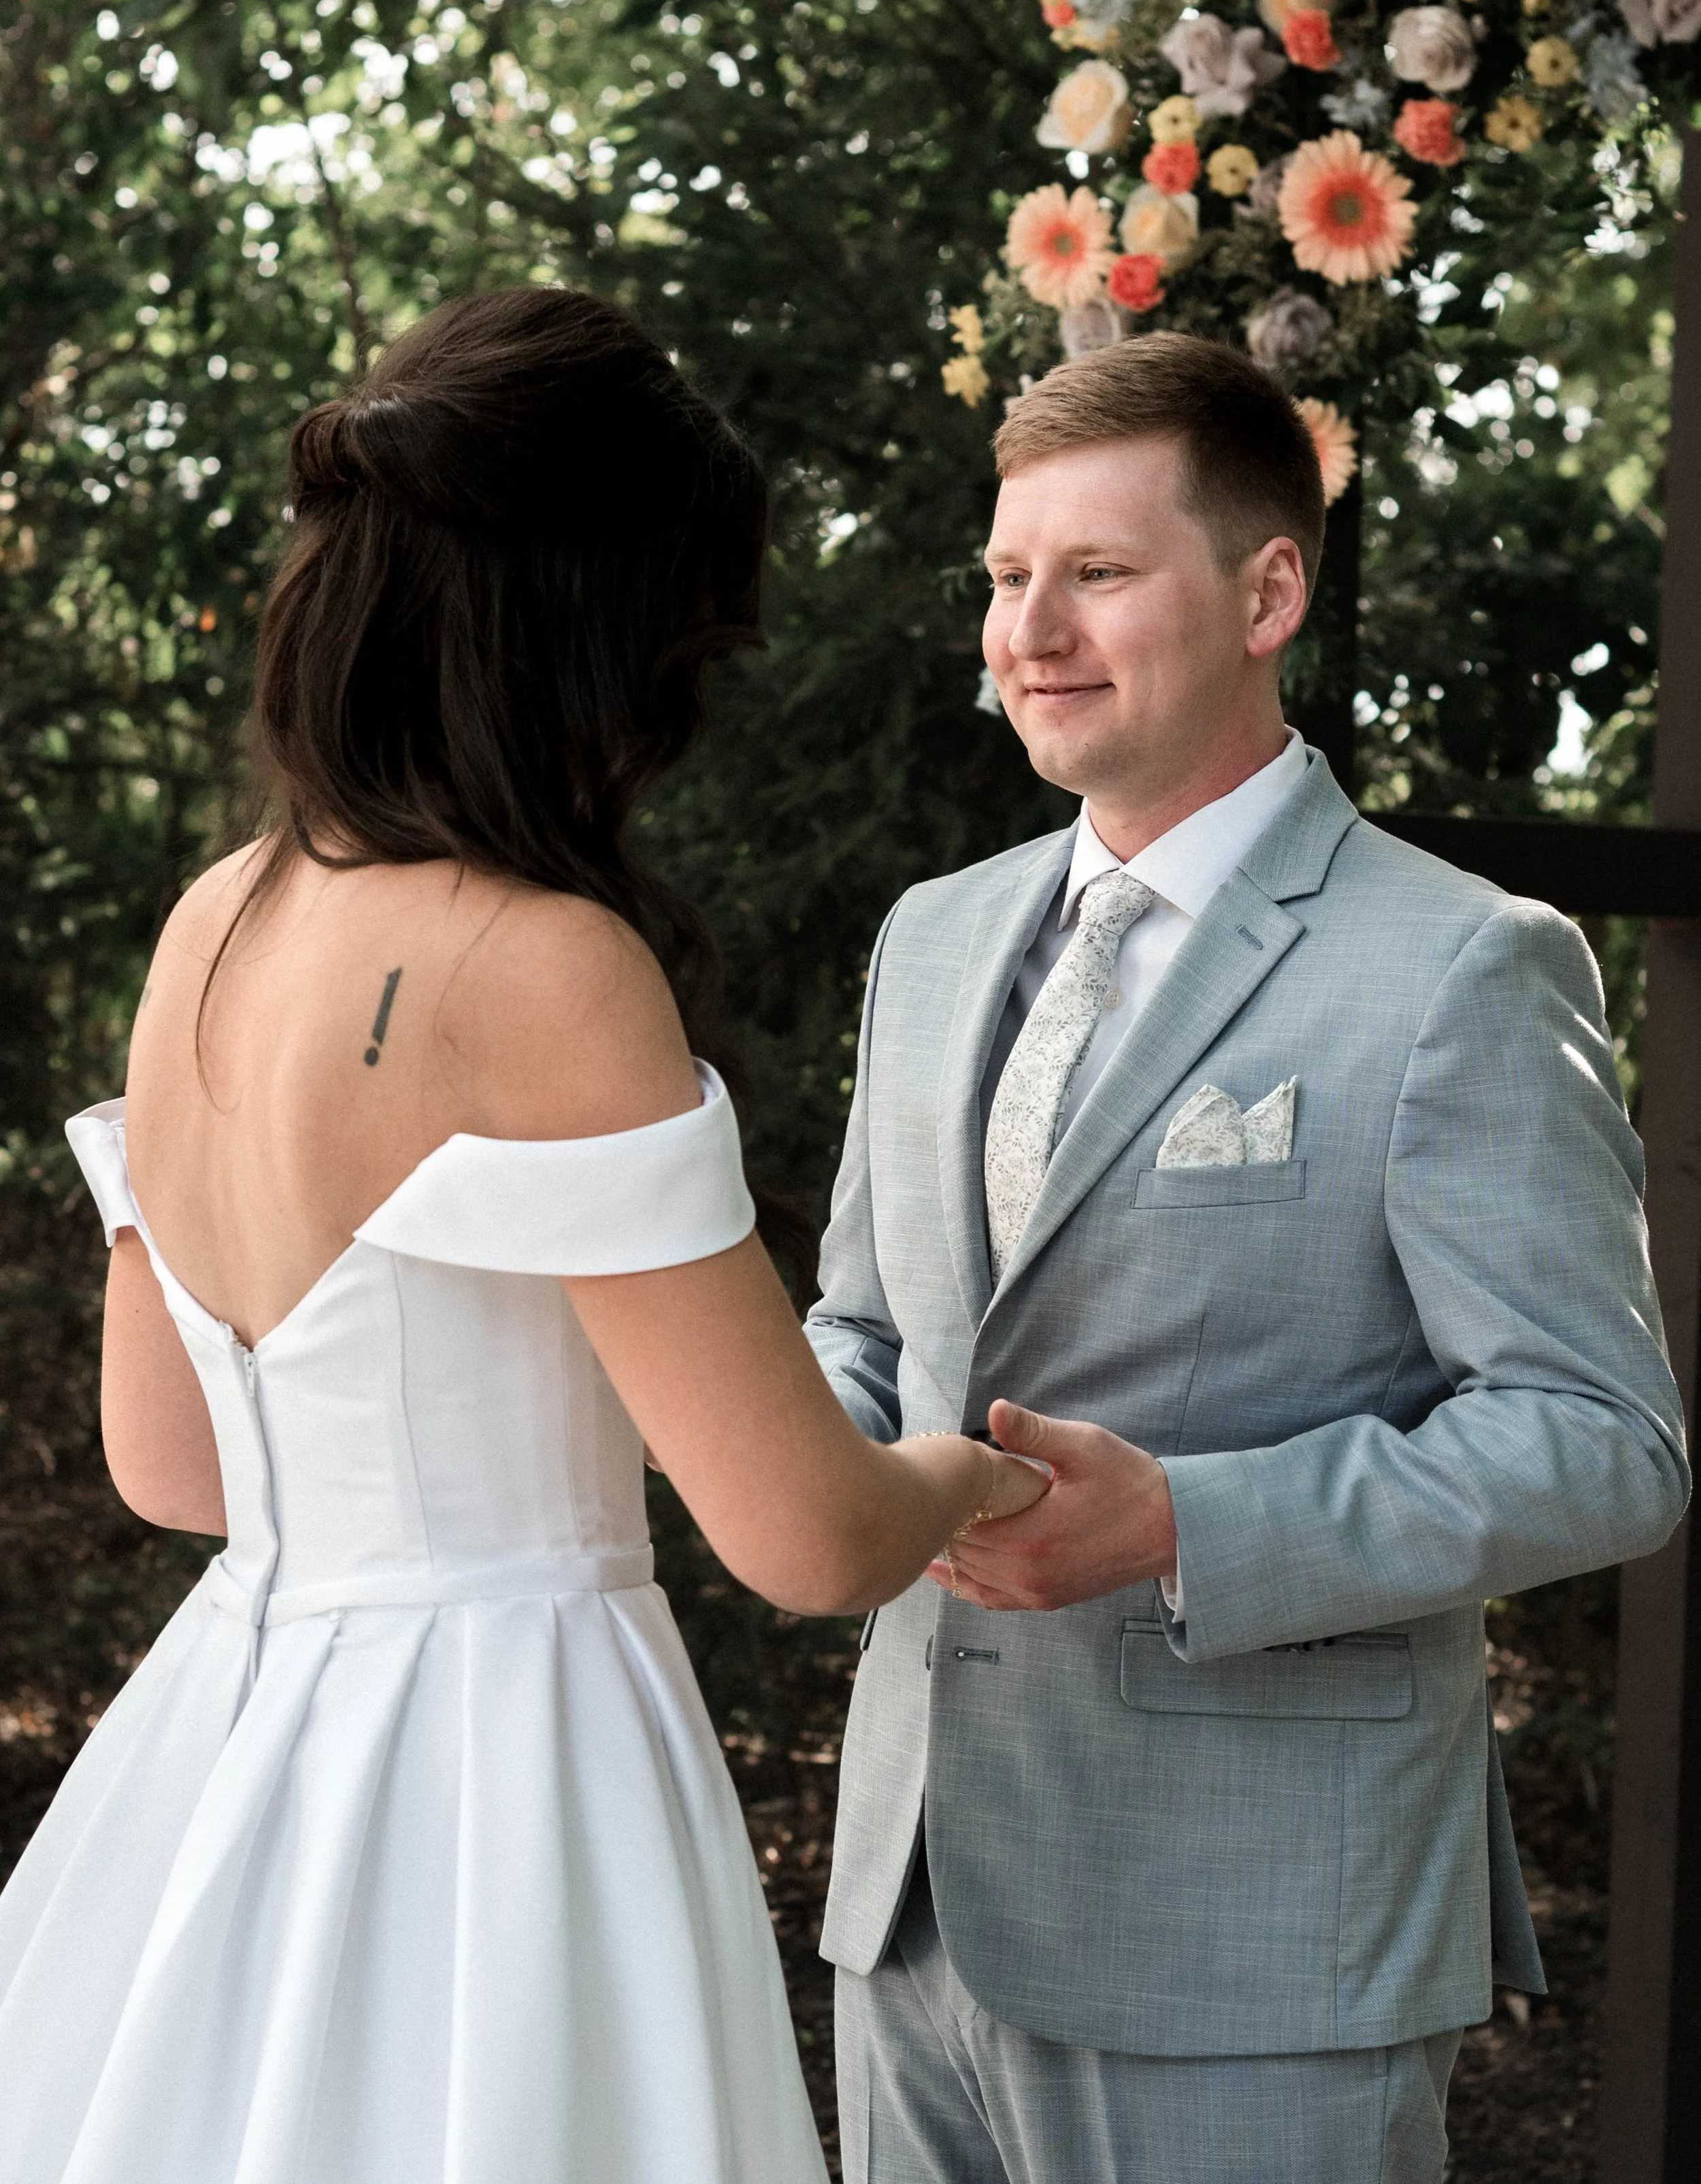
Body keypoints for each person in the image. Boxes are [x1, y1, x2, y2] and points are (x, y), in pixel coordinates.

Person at [0, 287, 1048, 2184]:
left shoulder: (209, 924)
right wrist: (968, 1470)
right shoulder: (549, 967)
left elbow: (170, 1466)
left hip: (229, 1751)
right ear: (599, 632)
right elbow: (802, 1533)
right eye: (687, 648)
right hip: (501, 1773)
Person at [807, 331, 1689, 2184]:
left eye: (1098, 572)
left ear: (1266, 588)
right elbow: (866, 1326)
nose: (1028, 627)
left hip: (1262, 1945)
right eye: (1002, 575)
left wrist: (1180, 1521)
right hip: (910, 1911)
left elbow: (1599, 1440)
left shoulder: (1462, 963)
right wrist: (808, 1468)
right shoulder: (934, 936)